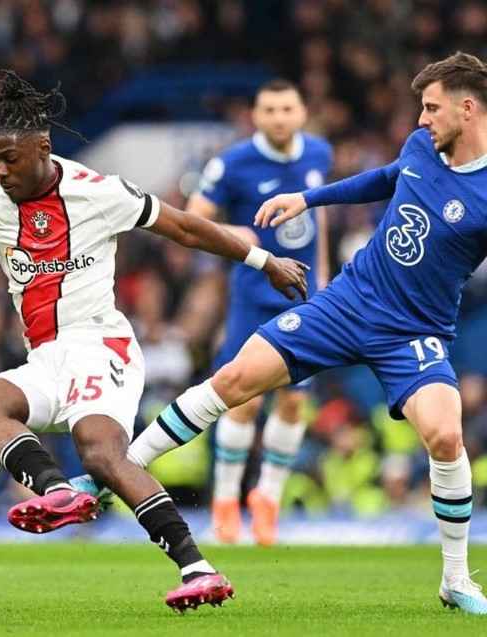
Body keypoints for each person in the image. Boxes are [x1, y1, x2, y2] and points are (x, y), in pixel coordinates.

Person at [0, 70, 309, 611]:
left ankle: (198, 568)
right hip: (46, 358)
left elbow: (187, 228)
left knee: (101, 454)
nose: (0, 170)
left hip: (103, 346)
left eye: (10, 158)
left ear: (43, 147)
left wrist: (264, 260)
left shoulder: (99, 192)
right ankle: (58, 492)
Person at [110, 52, 487, 614]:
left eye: (431, 108)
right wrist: (306, 199)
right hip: (348, 301)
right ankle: (112, 472)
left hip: (415, 331)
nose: (421, 118)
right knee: (233, 379)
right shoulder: (419, 149)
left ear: (468, 107)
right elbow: (383, 179)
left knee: (445, 437)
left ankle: (456, 579)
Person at [186, 79, 333, 546]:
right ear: (255, 115)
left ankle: (267, 499)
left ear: (302, 112)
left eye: (287, 108)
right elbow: (193, 215)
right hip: (253, 294)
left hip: (304, 294)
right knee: (244, 399)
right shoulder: (233, 163)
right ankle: (226, 502)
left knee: (294, 401)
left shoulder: (319, 154)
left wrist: (325, 282)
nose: (278, 117)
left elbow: (320, 216)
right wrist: (236, 234)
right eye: (269, 109)